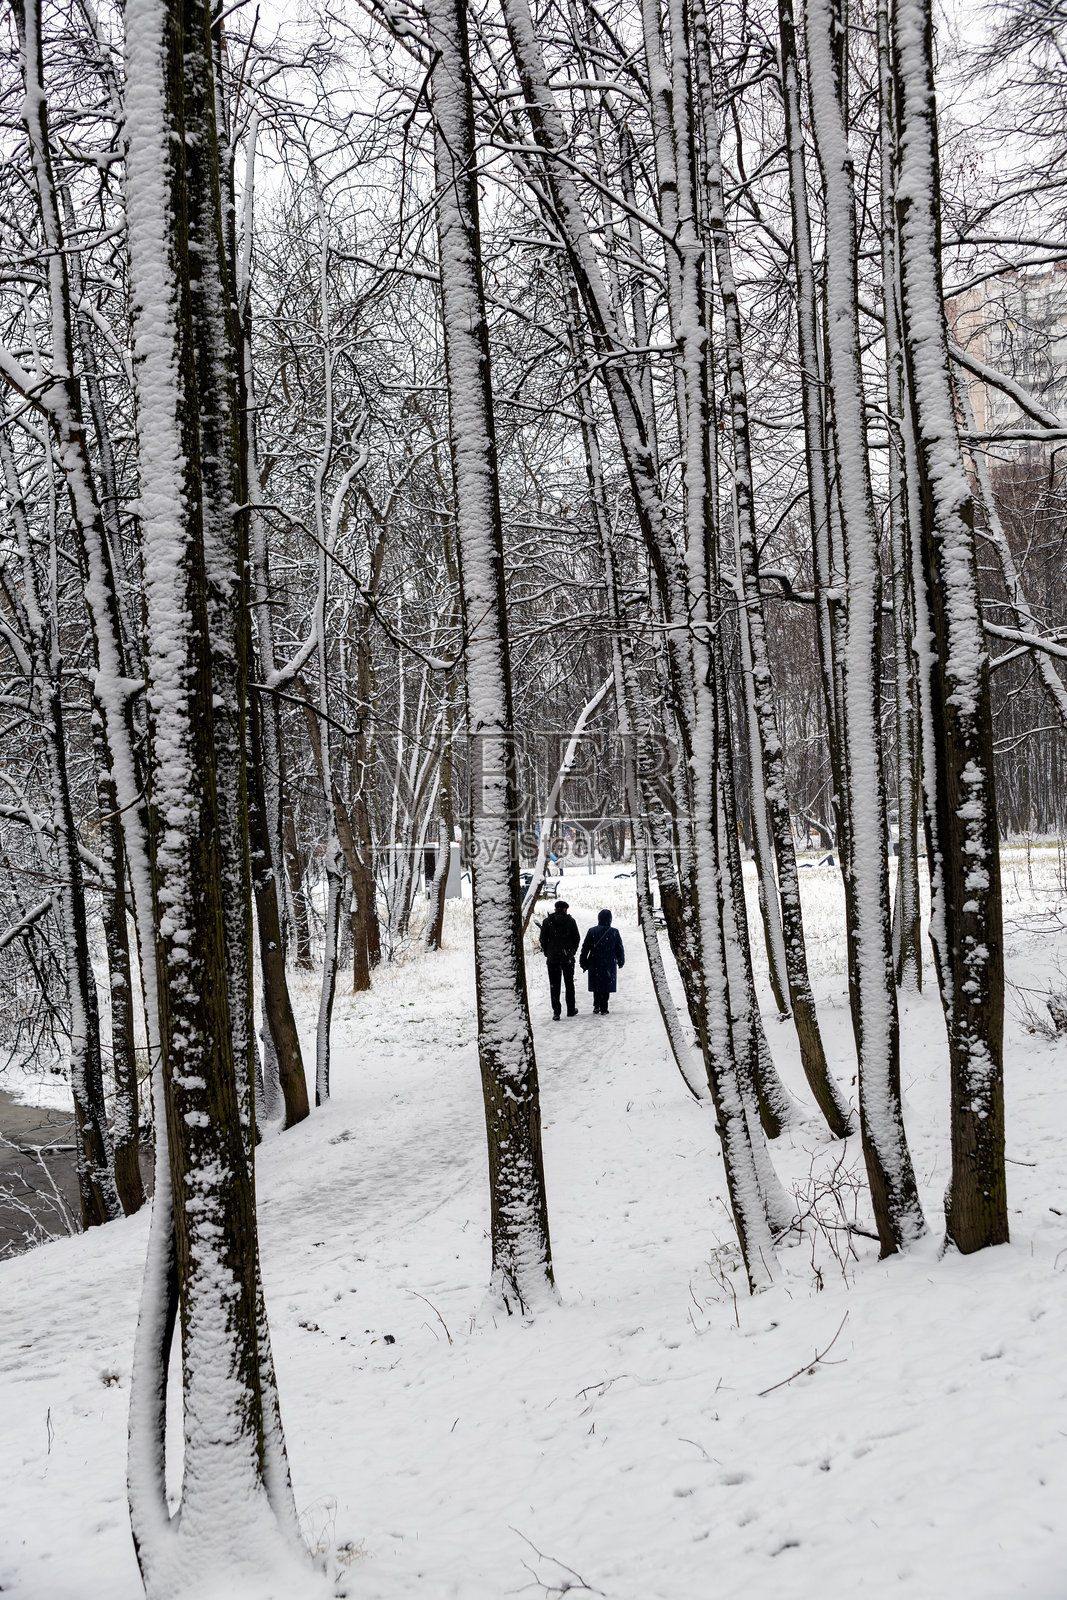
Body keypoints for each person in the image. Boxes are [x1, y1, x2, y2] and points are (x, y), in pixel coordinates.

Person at [538, 899, 580, 1019]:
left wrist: (548, 952)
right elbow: (576, 938)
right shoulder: (571, 921)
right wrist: (572, 952)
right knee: (569, 984)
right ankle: (571, 1009)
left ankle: (556, 1012)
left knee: (554, 985)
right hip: (567, 958)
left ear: (555, 909)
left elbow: (543, 940)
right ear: (565, 909)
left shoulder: (547, 922)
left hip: (553, 959)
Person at [579, 908, 625, 1015]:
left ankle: (596, 1005)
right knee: (606, 984)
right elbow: (619, 948)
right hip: (609, 961)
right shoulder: (614, 932)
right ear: (610, 919)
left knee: (597, 983)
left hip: (595, 961)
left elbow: (585, 948)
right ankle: (604, 1007)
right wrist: (621, 961)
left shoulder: (592, 931)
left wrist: (583, 961)